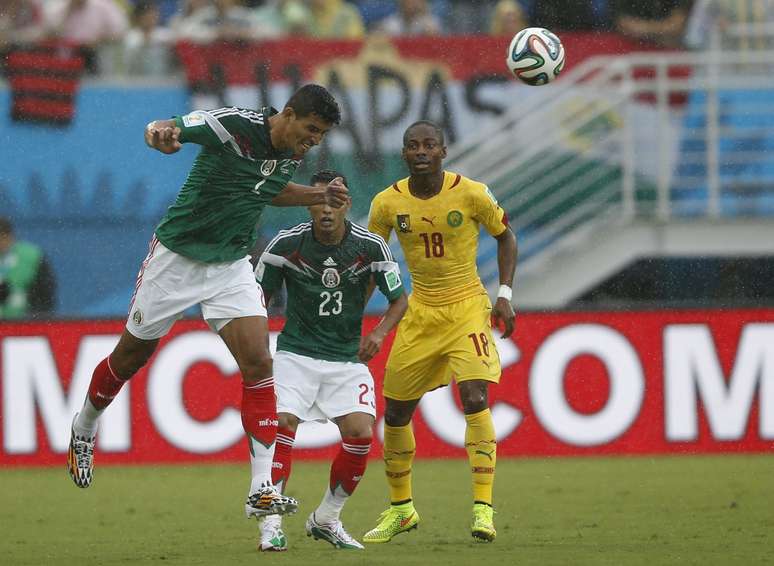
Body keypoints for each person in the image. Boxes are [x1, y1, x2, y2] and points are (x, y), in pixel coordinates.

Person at [66, 85, 348, 533]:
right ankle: (85, 424)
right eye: (311, 130)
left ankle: (261, 489)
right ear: (289, 114)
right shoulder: (234, 125)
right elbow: (173, 127)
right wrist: (158, 133)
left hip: (231, 263)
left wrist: (317, 197)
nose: (314, 140)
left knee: (259, 362)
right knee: (130, 356)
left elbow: (267, 189)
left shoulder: (293, 148)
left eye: (321, 135)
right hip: (177, 258)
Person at [363, 120, 517, 543]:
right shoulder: (386, 203)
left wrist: (504, 293)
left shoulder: (472, 193)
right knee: (394, 413)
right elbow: (371, 259)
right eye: (413, 145)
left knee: (474, 396)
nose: (421, 151)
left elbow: (506, 237)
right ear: (404, 153)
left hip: (467, 307)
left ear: (443, 151)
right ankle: (402, 510)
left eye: (429, 144)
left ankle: (483, 508)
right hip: (420, 312)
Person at [254, 169, 408, 551]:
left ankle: (327, 517)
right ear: (308, 203)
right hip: (296, 355)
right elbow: (257, 300)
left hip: (345, 359)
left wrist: (378, 334)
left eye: (334, 201)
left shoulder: (371, 247)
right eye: (319, 199)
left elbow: (399, 299)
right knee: (283, 424)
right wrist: (255, 346)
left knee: (360, 434)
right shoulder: (285, 244)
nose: (326, 209)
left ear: (347, 204)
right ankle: (271, 525)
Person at [0, 217, 56, 319]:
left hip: (22, 324)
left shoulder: (31, 256)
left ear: (10, 236)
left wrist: (35, 318)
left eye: (3, 237)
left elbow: (45, 293)